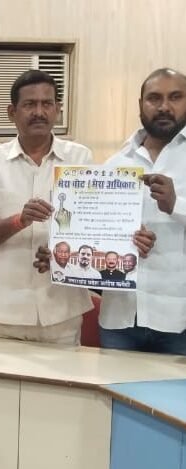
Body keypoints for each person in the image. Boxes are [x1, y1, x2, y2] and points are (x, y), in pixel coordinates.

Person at [0, 70, 94, 344]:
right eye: (29, 104)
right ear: (12, 112)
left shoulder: (80, 158)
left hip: (62, 310)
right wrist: (20, 221)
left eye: (47, 104)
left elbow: (93, 229)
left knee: (63, 375)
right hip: (4, 314)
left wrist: (65, 254)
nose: (39, 112)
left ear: (57, 110)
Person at [98, 68, 186, 354]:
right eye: (154, 98)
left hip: (179, 321)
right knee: (112, 386)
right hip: (120, 318)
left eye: (175, 97)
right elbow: (96, 233)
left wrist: (176, 205)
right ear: (140, 104)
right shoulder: (114, 164)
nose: (164, 107)